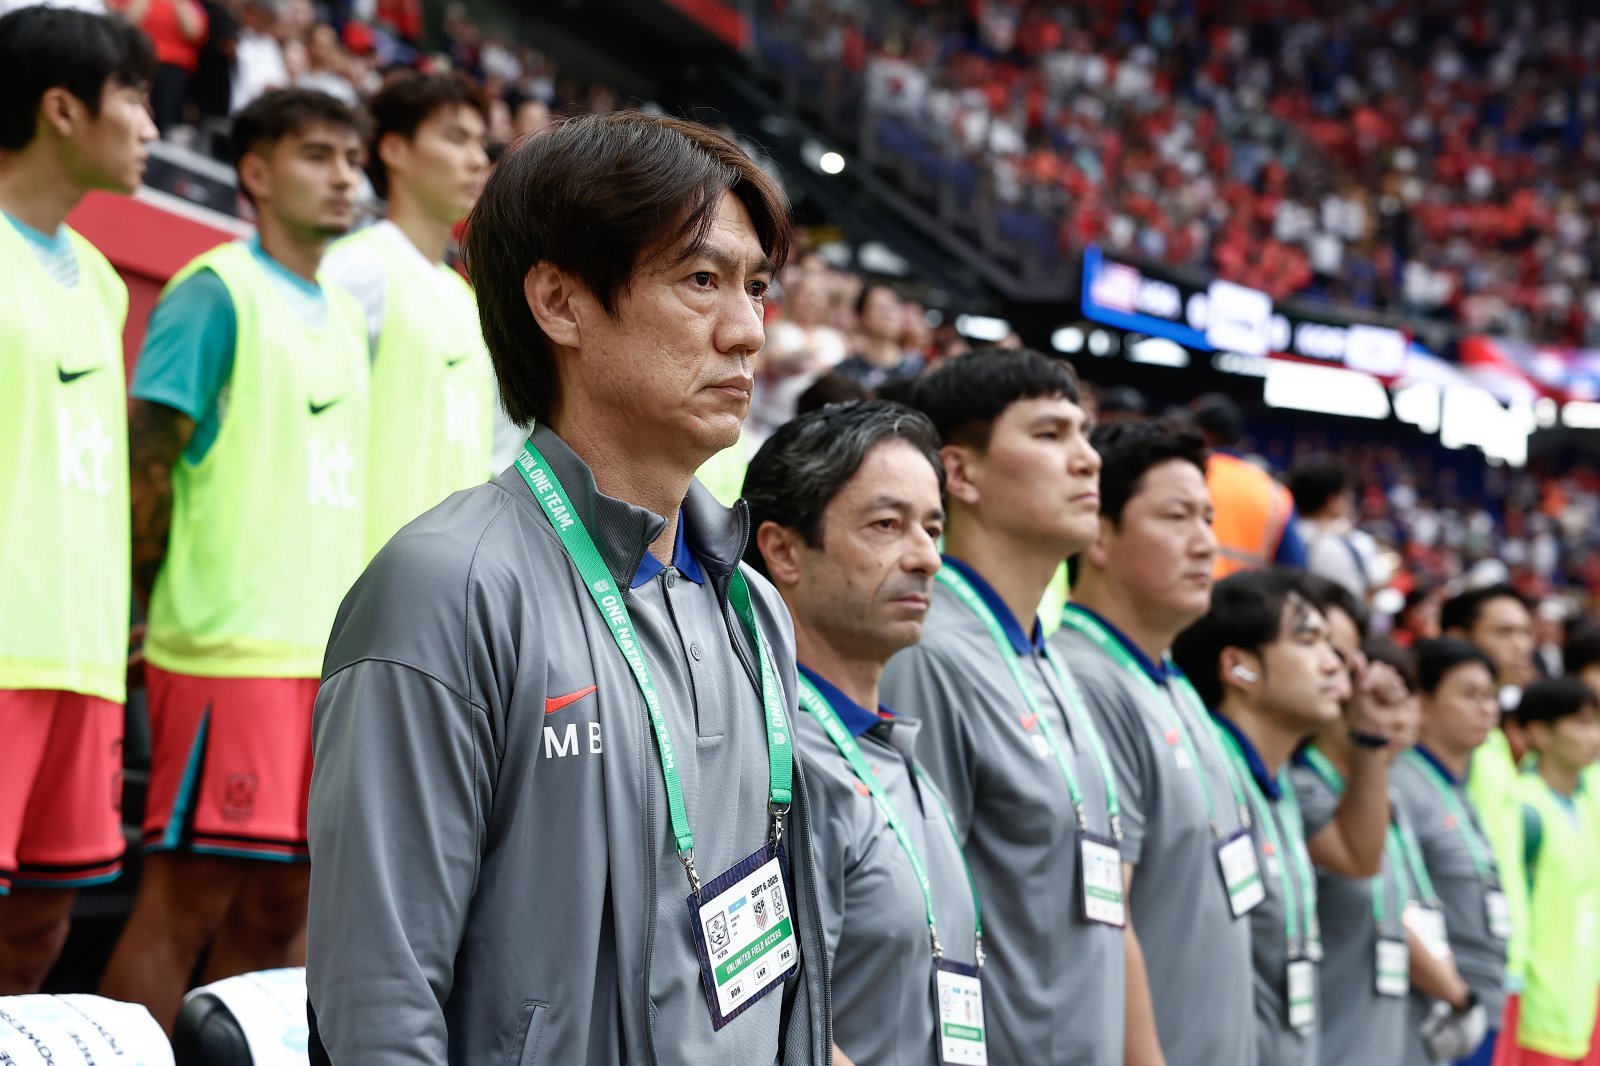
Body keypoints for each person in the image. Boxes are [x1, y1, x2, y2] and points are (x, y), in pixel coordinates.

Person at [304, 112, 829, 1065]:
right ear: (559, 302)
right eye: (700, 280)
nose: (748, 331)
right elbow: (379, 1001)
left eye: (756, 287)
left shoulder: (755, 613)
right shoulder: (447, 587)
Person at [100, 89, 369, 1030]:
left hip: (323, 658)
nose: (345, 178)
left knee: (283, 905)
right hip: (226, 651)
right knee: (187, 901)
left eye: (352, 159)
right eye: (318, 156)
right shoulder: (214, 291)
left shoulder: (346, 314)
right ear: (254, 172)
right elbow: (147, 466)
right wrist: (143, 607)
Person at [881, 348, 1126, 1066]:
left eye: (1085, 435)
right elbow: (909, 914)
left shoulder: (1043, 653)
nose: (1087, 459)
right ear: (960, 474)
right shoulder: (927, 651)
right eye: (1050, 434)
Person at [744, 400, 984, 1066]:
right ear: (784, 550)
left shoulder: (894, 751)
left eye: (933, 528)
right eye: (887, 525)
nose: (928, 558)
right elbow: (763, 1026)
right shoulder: (774, 758)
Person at [0, 5, 155, 994]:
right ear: (62, 109)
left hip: (82, 657)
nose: (151, 125)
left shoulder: (99, 279)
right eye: (132, 98)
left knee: (38, 929)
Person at [1051, 419, 1258, 1065]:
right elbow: (1108, 916)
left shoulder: (1172, 681)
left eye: (1208, 519)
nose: (1206, 544)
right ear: (1099, 533)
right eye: (1176, 517)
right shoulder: (1085, 680)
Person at [1171, 569, 1344, 1066]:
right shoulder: (1203, 778)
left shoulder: (1279, 782)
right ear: (1239, 667)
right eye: (1308, 641)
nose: (1333, 664)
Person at [1290, 579, 1466, 1066]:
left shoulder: (1384, 796)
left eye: (1405, 700)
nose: (1398, 717)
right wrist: (1455, 992)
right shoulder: (1305, 789)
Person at [321, 71, 495, 558]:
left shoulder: (466, 299)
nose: (477, 159)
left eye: (480, 143)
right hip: (359, 568)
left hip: (448, 573)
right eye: (456, 138)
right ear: (394, 150)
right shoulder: (357, 268)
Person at [1390, 639, 1510, 1066]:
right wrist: (1454, 995)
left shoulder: (1455, 786)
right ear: (1423, 705)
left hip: (1479, 1000)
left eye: (1491, 696)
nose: (1486, 709)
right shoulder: (1402, 783)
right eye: (1470, 695)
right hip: (1440, 1010)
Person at [1445, 582, 1536, 1021]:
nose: (1521, 645)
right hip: (1461, 970)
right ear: (1458, 638)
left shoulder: (1494, 742)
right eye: (1504, 632)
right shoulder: (1451, 744)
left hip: (1505, 960)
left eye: (1525, 632)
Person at [1509, 678, 1600, 1066]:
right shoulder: (1522, 808)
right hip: (1533, 1010)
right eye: (1581, 723)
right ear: (1539, 733)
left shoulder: (1587, 804)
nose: (1594, 735)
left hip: (1583, 1003)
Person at [1189, 393, 1306, 578]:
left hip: (1186, 588)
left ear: (1203, 432)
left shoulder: (1187, 474)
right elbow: (1294, 569)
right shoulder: (1274, 491)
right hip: (1246, 594)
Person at [1290, 458, 1389, 601]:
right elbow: (1378, 583)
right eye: (1346, 494)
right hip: (1344, 611)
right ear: (1332, 500)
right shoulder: (1356, 542)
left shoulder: (1282, 534)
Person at [111, 0, 206, 133]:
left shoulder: (190, 4)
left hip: (172, 70)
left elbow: (193, 32)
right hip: (139, 64)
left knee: (166, 119)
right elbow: (127, 23)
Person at [836, 282, 923, 392]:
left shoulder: (916, 369)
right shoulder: (846, 373)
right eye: (879, 307)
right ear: (862, 317)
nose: (888, 313)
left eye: (894, 305)